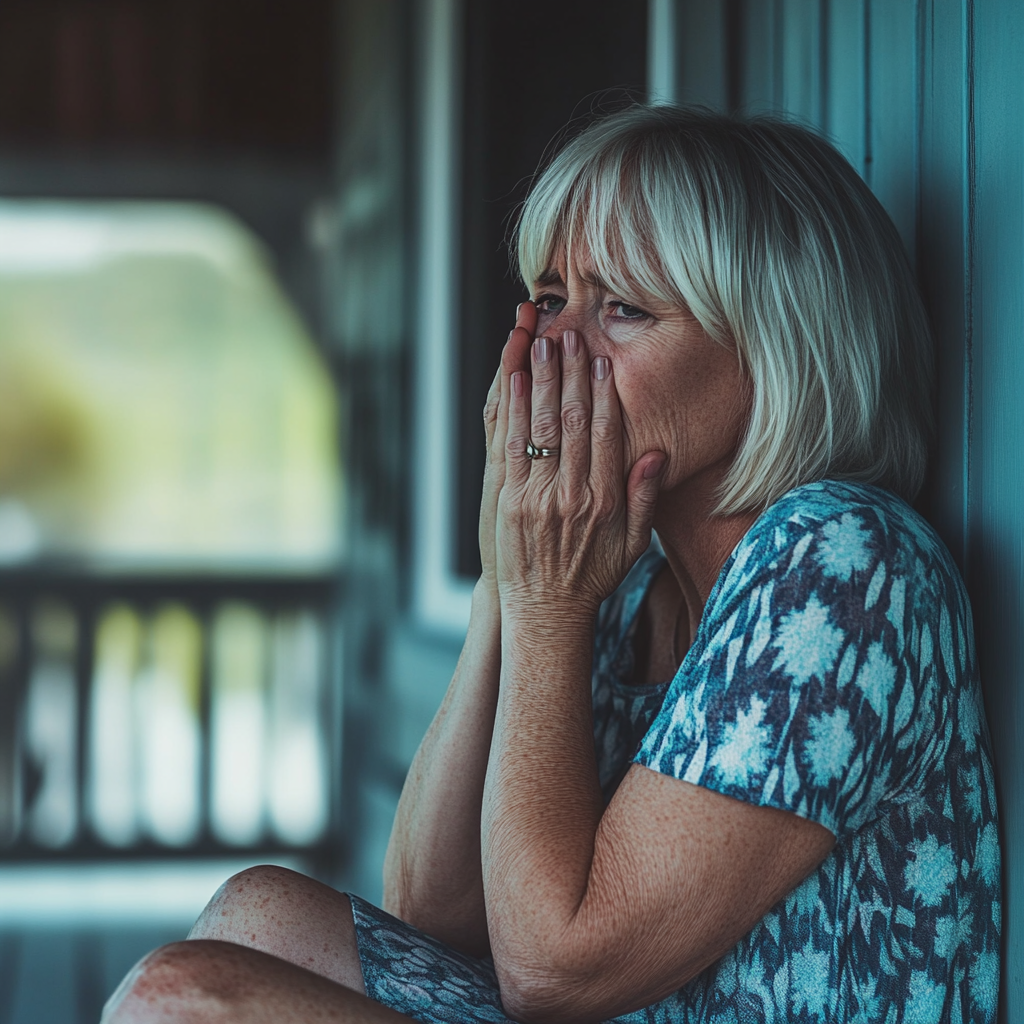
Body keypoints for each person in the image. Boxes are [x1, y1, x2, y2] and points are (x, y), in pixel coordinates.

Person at [103, 105, 1000, 1024]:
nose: (554, 350)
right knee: (259, 915)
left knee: (181, 999)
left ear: (777, 346)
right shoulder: (631, 580)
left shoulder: (844, 560)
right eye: (550, 297)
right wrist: (508, 569)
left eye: (622, 308)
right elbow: (431, 910)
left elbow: (555, 973)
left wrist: (546, 600)